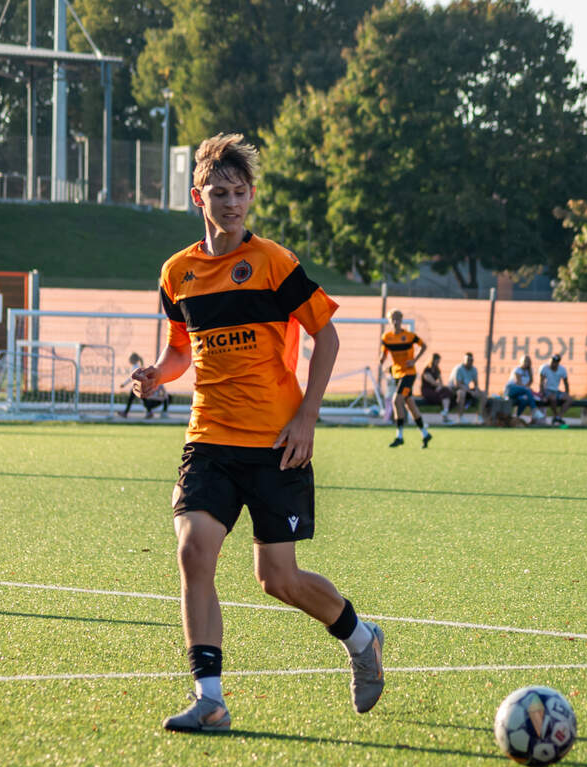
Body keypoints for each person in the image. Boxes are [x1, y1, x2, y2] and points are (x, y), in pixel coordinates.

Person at [130, 133, 385, 733]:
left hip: (276, 444)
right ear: (198, 197)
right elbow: (180, 350)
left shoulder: (274, 263)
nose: (231, 203)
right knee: (194, 550)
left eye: (240, 192)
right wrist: (157, 375)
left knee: (278, 579)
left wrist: (307, 417)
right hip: (209, 439)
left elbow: (327, 336)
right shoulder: (177, 273)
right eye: (219, 193)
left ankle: (361, 638)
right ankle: (210, 698)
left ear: (250, 197)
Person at [379, 309, 431, 448]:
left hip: (409, 374)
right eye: (393, 319)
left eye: (398, 319)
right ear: (389, 321)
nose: (395, 321)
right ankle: (425, 434)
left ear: (402, 320)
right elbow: (383, 355)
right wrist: (382, 360)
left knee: (396, 400)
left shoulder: (409, 336)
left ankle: (399, 436)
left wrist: (414, 360)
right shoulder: (386, 337)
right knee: (410, 405)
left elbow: (424, 346)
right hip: (397, 374)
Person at [120, 352, 170, 418]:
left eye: (130, 358)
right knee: (141, 399)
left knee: (134, 399)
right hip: (138, 386)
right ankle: (148, 412)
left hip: (137, 386)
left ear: (133, 359)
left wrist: (124, 384)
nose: (129, 360)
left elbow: (131, 378)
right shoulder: (136, 367)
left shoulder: (135, 367)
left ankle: (126, 412)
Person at [503, 355, 542, 423]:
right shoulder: (517, 370)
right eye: (524, 361)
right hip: (510, 389)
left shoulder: (529, 371)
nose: (526, 363)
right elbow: (518, 383)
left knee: (524, 400)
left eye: (527, 362)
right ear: (521, 362)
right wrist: (527, 389)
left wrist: (527, 389)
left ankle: (516, 417)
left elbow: (529, 382)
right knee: (527, 390)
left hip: (520, 392)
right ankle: (534, 410)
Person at [419, 352, 455, 423]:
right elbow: (432, 382)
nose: (438, 363)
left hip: (435, 390)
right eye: (437, 361)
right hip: (427, 391)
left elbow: (441, 382)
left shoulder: (437, 370)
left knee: (447, 392)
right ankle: (445, 417)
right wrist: (439, 386)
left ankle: (445, 412)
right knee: (445, 395)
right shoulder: (427, 370)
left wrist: (441, 386)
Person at [450, 352, 485, 419]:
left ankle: (480, 416)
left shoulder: (474, 369)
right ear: (464, 360)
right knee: (461, 393)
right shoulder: (459, 369)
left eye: (471, 360)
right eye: (468, 360)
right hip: (454, 390)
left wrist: (476, 390)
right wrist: (470, 392)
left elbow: (476, 384)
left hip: (467, 390)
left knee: (483, 394)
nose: (469, 362)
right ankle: (461, 417)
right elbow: (458, 384)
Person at [538, 353, 571, 425]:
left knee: (568, 399)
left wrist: (567, 393)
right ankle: (556, 416)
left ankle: (559, 416)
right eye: (552, 361)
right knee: (553, 398)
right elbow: (541, 382)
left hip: (556, 391)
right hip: (547, 391)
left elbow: (566, 383)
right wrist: (542, 394)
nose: (553, 363)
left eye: (555, 362)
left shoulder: (562, 369)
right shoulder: (544, 368)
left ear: (558, 363)